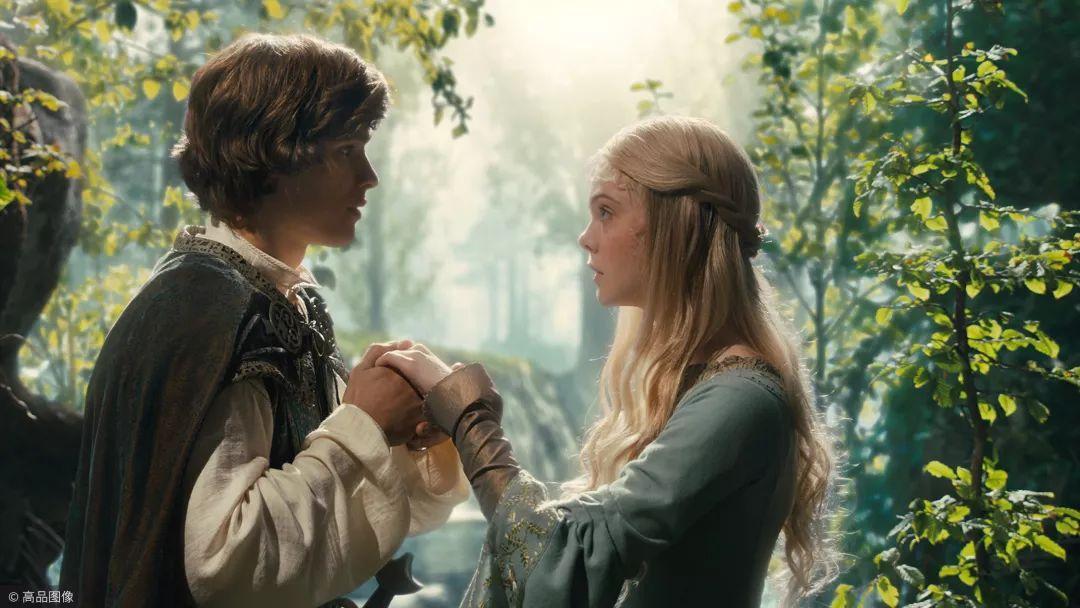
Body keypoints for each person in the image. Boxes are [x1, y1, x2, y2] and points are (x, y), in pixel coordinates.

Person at [59, 33, 469, 608]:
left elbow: (332, 511)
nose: (369, 175)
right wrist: (363, 426)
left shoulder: (276, 298)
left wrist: (403, 432)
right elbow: (226, 562)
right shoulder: (207, 311)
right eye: (348, 149)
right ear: (278, 154)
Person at [377, 116, 839, 607]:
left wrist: (468, 418)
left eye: (606, 211)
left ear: (675, 224)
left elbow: (572, 555)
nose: (585, 237)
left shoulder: (740, 399)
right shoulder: (707, 387)